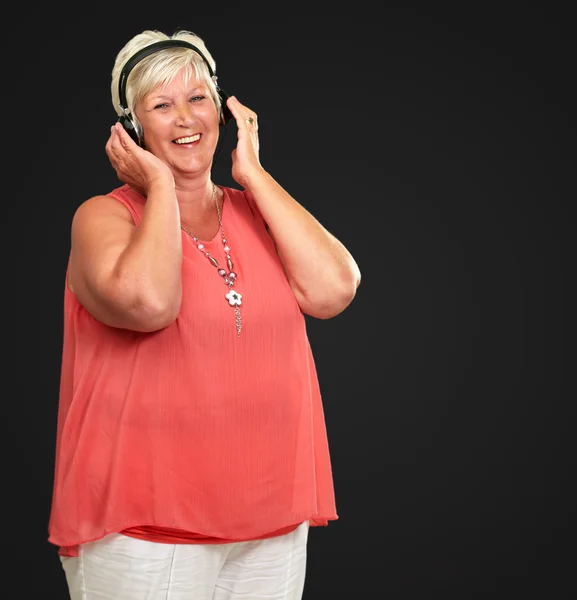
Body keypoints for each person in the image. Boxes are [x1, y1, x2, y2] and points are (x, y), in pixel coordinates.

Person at [47, 27, 361, 599]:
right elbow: (149, 303)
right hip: (146, 527)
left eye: (197, 99)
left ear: (221, 109)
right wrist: (161, 187)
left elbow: (334, 289)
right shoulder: (103, 217)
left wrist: (255, 176)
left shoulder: (257, 210)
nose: (186, 119)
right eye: (162, 105)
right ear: (135, 127)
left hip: (271, 520)